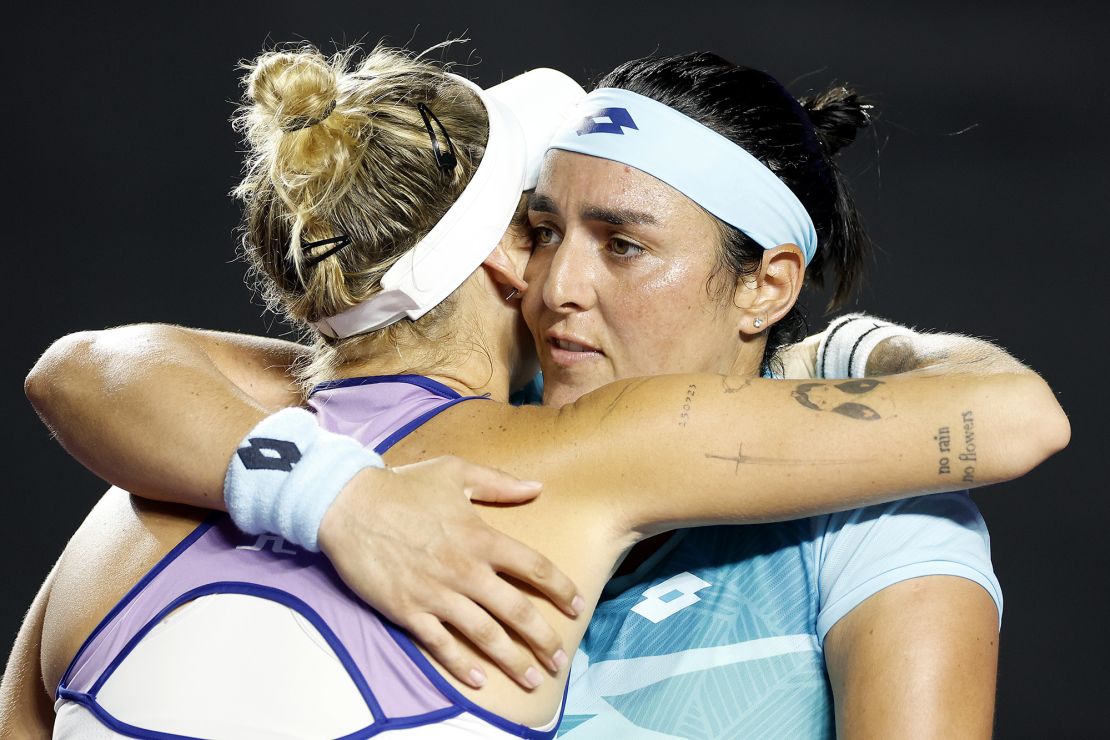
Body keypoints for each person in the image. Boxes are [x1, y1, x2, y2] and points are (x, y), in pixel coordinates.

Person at [6, 45, 1068, 738]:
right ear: (502, 262)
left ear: (768, 286)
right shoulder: (555, 454)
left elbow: (89, 365)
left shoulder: (875, 519)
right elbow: (95, 366)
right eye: (544, 230)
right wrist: (342, 500)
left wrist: (831, 356)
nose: (561, 285)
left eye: (622, 245)